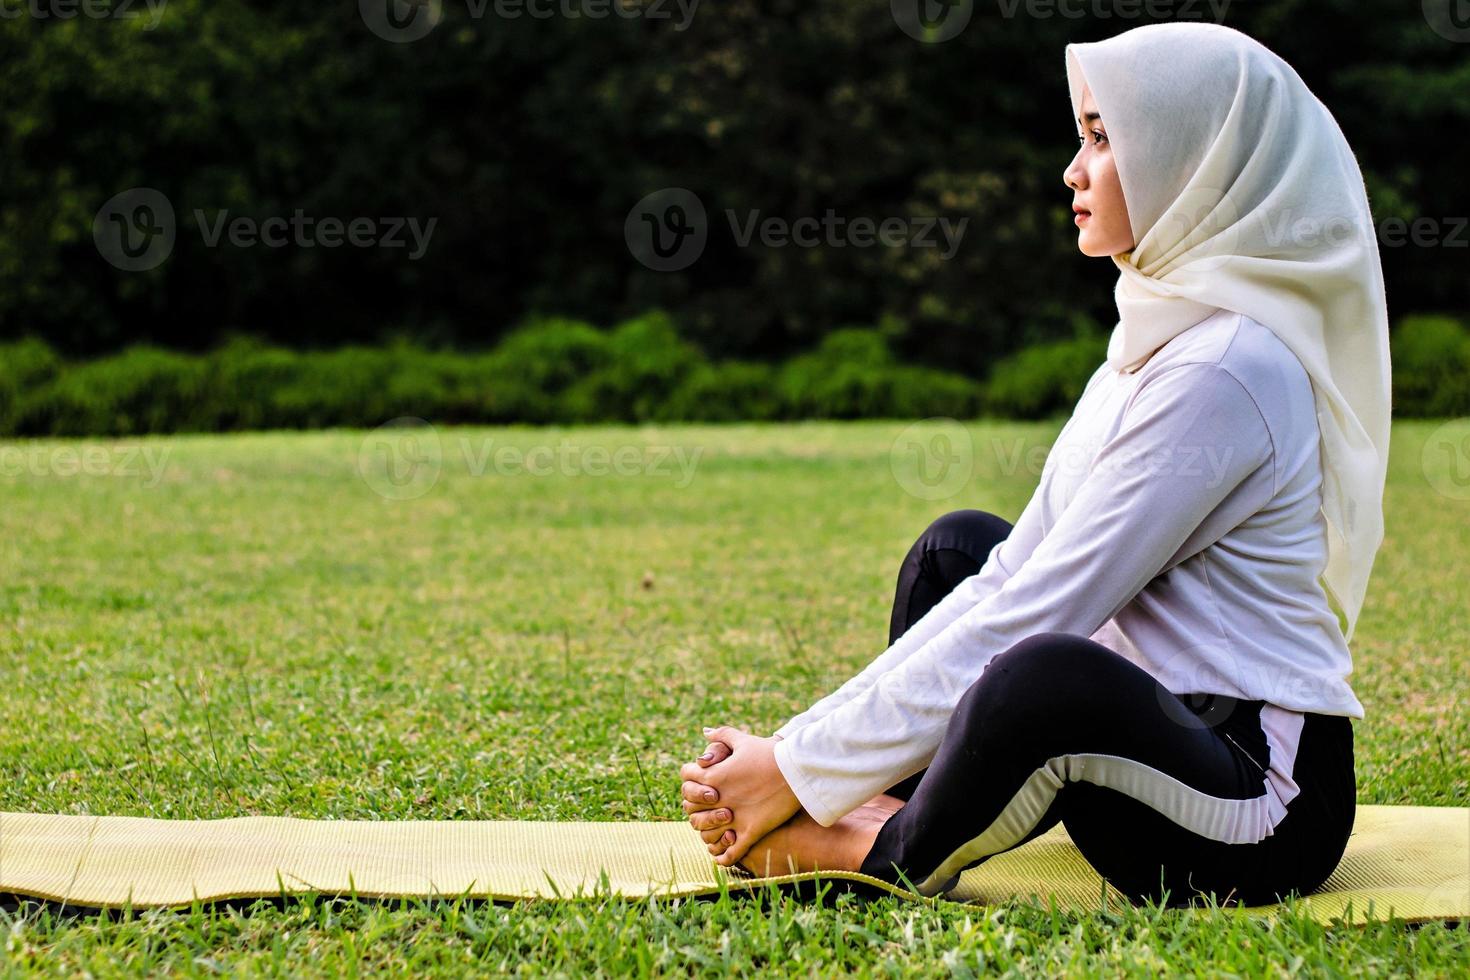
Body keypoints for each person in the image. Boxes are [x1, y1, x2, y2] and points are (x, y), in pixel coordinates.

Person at [676, 21, 1392, 907]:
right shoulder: (1157, 343)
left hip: (1258, 804)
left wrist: (791, 769)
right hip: (1152, 728)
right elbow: (1011, 576)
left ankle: (880, 851)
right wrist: (798, 753)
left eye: (1102, 138)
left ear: (1191, 162)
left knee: (1041, 669)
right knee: (958, 552)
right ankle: (882, 803)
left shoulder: (1228, 370)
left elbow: (1048, 606)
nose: (1073, 169)